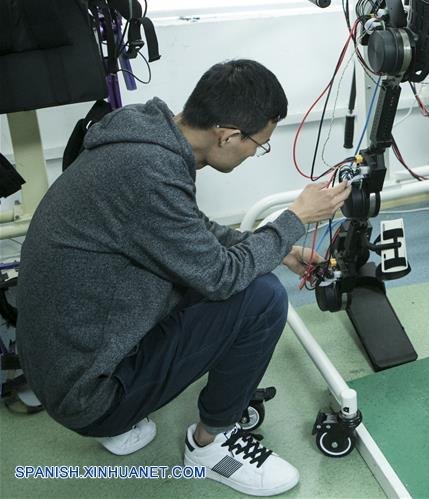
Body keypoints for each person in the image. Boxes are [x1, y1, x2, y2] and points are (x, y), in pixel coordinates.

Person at [17, 59, 350, 496]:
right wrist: (294, 220)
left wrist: (277, 247)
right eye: (259, 144)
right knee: (262, 296)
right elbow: (222, 276)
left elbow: (189, 231)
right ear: (227, 135)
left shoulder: (144, 136)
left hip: (57, 364)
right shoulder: (149, 174)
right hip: (89, 397)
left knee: (227, 273)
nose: (255, 153)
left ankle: (123, 416)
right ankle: (210, 446)